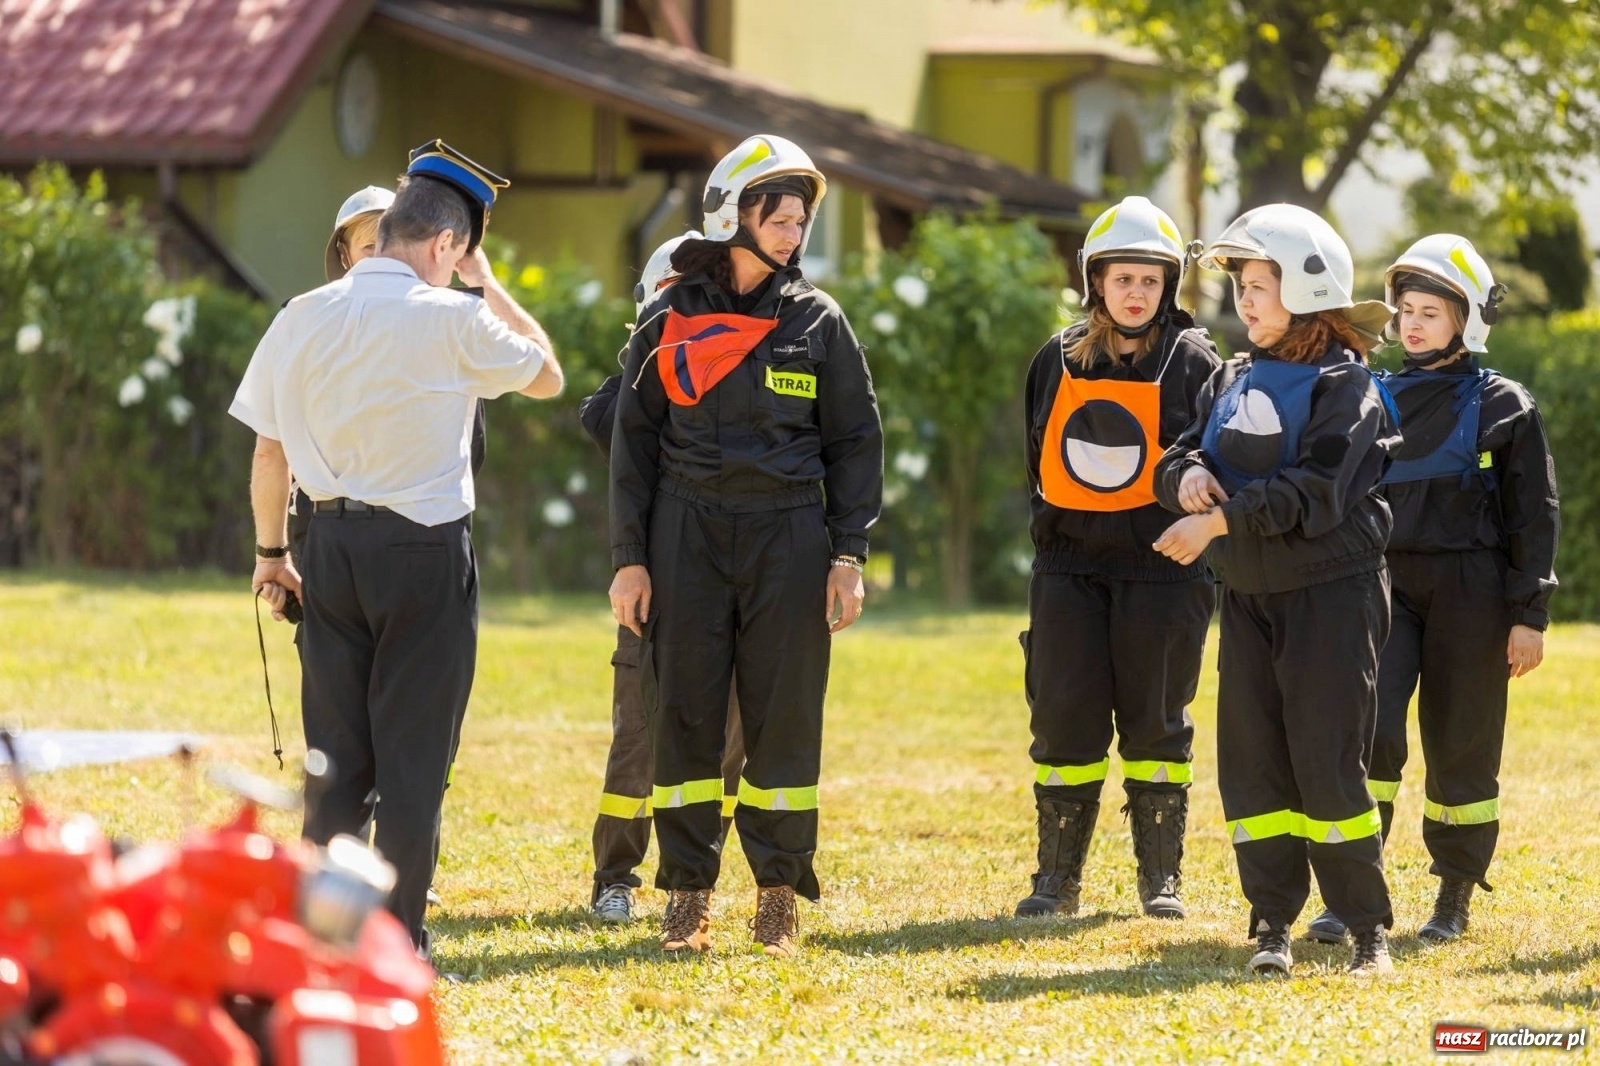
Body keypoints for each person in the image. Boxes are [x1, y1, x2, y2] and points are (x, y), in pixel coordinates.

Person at [234, 140, 564, 960]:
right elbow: (549, 374)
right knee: (414, 766)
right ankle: (393, 945)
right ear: (448, 245)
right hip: (424, 554)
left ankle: (320, 945)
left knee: (336, 762)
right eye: (461, 257)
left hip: (328, 548)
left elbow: (269, 455)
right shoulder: (454, 315)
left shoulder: (300, 314)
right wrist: (486, 287)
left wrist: (273, 552)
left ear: (382, 233)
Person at [608, 134, 884, 957]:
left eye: (801, 220)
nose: (793, 232)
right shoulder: (669, 318)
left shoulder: (819, 322)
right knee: (685, 711)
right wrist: (629, 557)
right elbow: (633, 449)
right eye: (780, 216)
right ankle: (688, 896)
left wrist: (849, 552)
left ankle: (777, 896)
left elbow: (856, 442)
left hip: (790, 534)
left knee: (784, 714)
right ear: (735, 213)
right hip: (685, 529)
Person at [1152, 203, 1402, 977]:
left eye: (1261, 284)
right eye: (1242, 285)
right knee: (1254, 764)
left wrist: (1219, 524)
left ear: (1307, 285)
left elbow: (1317, 491)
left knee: (1326, 758)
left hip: (1331, 597)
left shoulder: (1347, 386)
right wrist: (1186, 476)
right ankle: (1271, 927)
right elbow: (1180, 455)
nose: (1245, 300)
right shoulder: (1232, 375)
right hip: (1251, 600)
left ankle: (1367, 932)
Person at [1305, 235, 1559, 946]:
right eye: (1405, 311)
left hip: (1473, 597)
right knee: (1369, 732)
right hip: (1382, 586)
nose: (1412, 325)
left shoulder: (1505, 405)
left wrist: (1528, 614)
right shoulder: (1370, 396)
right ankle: (1355, 891)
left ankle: (1452, 898)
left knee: (1462, 746)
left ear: (1466, 319)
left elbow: (1534, 517)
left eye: (1430, 312)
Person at [1016, 196, 1219, 922]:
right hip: (1069, 570)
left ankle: (1160, 882)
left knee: (1157, 725)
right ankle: (1056, 882)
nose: (1135, 293)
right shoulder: (1058, 355)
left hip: (1163, 572)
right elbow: (1034, 458)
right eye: (1122, 278)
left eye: (1150, 280)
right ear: (1095, 281)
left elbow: (1215, 458)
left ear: (1169, 288)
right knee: (1063, 720)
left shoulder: (1195, 361)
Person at [578, 232, 747, 924]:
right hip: (654, 595)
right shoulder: (636, 383)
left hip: (732, 584)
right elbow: (603, 422)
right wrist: (647, 348)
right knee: (639, 740)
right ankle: (615, 875)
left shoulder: (739, 365)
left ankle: (694, 878)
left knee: (732, 738)